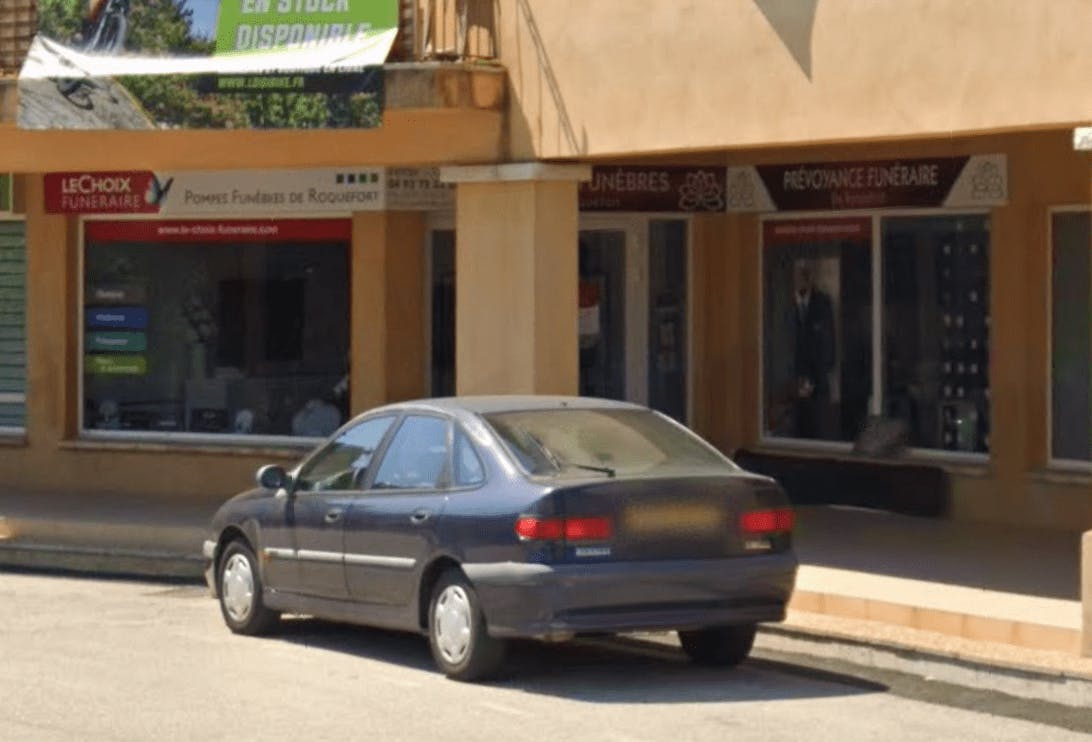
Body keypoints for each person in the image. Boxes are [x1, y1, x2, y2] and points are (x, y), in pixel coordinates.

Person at [790, 260, 836, 438]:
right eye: (798, 274)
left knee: (816, 427)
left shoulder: (822, 302)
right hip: (790, 378)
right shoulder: (784, 301)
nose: (801, 279)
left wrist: (817, 376)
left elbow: (829, 341)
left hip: (817, 378)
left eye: (805, 274)